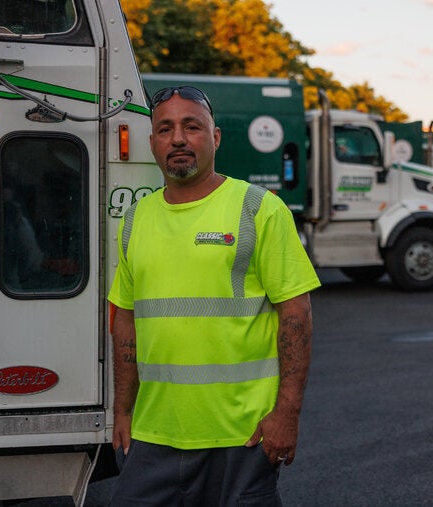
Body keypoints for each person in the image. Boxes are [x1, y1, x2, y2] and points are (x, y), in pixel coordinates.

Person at [107, 85, 321, 506]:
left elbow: (296, 314)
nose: (179, 139)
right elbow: (126, 319)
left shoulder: (258, 209)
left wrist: (287, 415)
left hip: (242, 435)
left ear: (216, 137)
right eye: (165, 129)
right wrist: (123, 410)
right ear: (152, 143)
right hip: (156, 432)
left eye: (192, 126)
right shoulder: (135, 219)